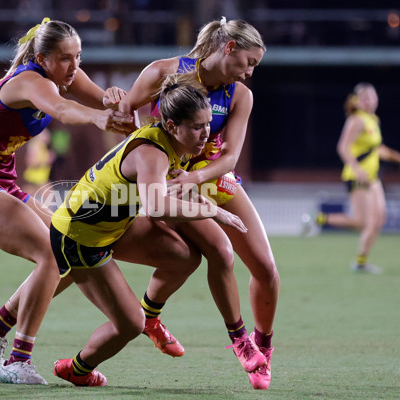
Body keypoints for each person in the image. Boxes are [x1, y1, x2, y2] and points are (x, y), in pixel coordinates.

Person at [0, 18, 134, 384]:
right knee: (51, 254)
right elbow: (63, 110)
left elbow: (104, 99)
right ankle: (18, 360)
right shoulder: (31, 81)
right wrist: (99, 118)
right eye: (65, 58)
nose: (74, 66)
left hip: (0, 179)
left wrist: (115, 98)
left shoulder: (64, 73)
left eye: (79, 56)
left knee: (66, 242)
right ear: (42, 57)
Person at [49, 73, 248, 387]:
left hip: (112, 224)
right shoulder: (153, 151)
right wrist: (211, 210)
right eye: (197, 127)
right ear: (172, 126)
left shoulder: (164, 140)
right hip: (80, 236)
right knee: (129, 325)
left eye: (208, 124)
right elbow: (156, 206)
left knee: (184, 257)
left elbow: (156, 192)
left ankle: (150, 318)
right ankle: (77, 368)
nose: (206, 133)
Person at [118, 17, 279, 390]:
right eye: (248, 62)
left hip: (207, 177)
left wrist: (195, 176)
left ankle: (263, 348)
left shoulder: (240, 95)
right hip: (172, 182)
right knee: (218, 252)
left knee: (266, 269)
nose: (250, 72)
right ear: (229, 49)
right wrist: (155, 154)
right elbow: (126, 111)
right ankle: (240, 343)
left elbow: (231, 157)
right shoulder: (164, 71)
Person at [303, 83, 400, 274]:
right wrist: (357, 168)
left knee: (379, 219)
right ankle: (317, 219)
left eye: (372, 97)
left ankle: (361, 261)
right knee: (361, 222)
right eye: (365, 97)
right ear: (358, 101)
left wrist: (396, 157)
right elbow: (342, 147)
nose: (370, 101)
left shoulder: (372, 120)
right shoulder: (357, 120)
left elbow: (376, 149)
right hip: (357, 176)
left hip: (373, 177)